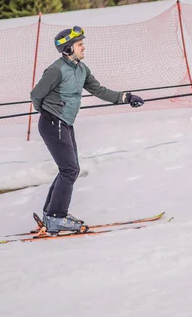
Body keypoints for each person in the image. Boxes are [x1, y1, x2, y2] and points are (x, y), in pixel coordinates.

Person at [30, 26, 145, 233]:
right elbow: (36, 95)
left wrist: (126, 97)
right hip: (52, 122)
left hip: (64, 123)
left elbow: (99, 90)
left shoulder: (82, 69)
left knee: (69, 169)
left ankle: (51, 214)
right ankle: (56, 216)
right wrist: (47, 111)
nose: (84, 47)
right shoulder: (56, 70)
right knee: (70, 170)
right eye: (80, 44)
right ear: (67, 49)